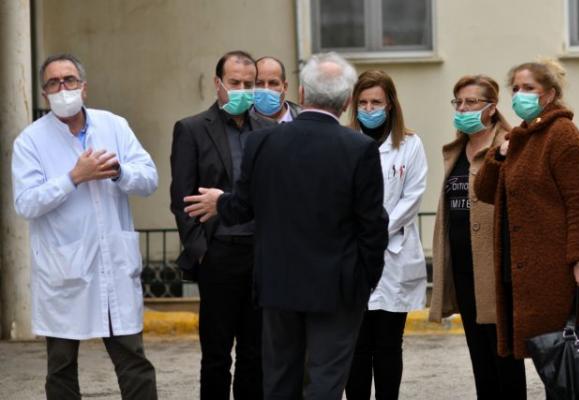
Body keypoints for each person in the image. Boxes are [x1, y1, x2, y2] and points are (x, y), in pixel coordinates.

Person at [183, 52, 389, 400]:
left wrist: (220, 201)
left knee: (279, 381)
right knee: (325, 381)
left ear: (302, 94)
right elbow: (373, 225)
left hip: (278, 284)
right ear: (347, 102)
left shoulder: (262, 142)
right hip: (338, 287)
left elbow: (243, 207)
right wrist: (366, 279)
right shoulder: (360, 148)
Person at [11, 53, 158, 400]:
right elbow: (26, 203)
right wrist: (73, 178)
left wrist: (119, 171)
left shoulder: (114, 126)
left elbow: (149, 179)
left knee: (133, 360)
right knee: (61, 367)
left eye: (69, 80)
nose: (63, 88)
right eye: (53, 83)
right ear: (44, 93)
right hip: (65, 271)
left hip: (114, 266)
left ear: (84, 87)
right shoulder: (30, 141)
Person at [474, 60, 579, 391]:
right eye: (515, 88)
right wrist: (499, 155)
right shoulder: (521, 137)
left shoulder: (563, 136)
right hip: (521, 269)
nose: (519, 95)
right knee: (549, 358)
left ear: (550, 95)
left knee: (562, 358)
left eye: (528, 88)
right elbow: (485, 192)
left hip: (554, 271)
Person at [169, 50, 274, 399]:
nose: (242, 90)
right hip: (218, 254)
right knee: (216, 355)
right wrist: (201, 252)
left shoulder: (270, 131)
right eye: (235, 83)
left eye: (249, 84)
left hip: (260, 255)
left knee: (255, 354)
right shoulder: (192, 129)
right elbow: (181, 198)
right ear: (218, 83)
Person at [429, 75, 527, 399]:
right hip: (462, 266)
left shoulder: (510, 145)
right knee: (479, 355)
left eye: (471, 102)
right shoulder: (457, 149)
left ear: (492, 107)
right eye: (458, 102)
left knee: (503, 356)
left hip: (497, 269)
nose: (462, 108)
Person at [344, 70, 428, 400]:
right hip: (353, 254)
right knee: (356, 345)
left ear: (390, 104)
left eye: (376, 102)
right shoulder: (344, 142)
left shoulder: (410, 143)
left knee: (389, 344)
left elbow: (413, 196)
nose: (369, 109)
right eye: (363, 102)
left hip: (395, 253)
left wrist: (377, 230)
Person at [252, 56, 301, 123]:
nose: (266, 89)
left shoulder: (304, 119)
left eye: (273, 83)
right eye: (259, 83)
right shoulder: (240, 123)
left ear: (285, 87)